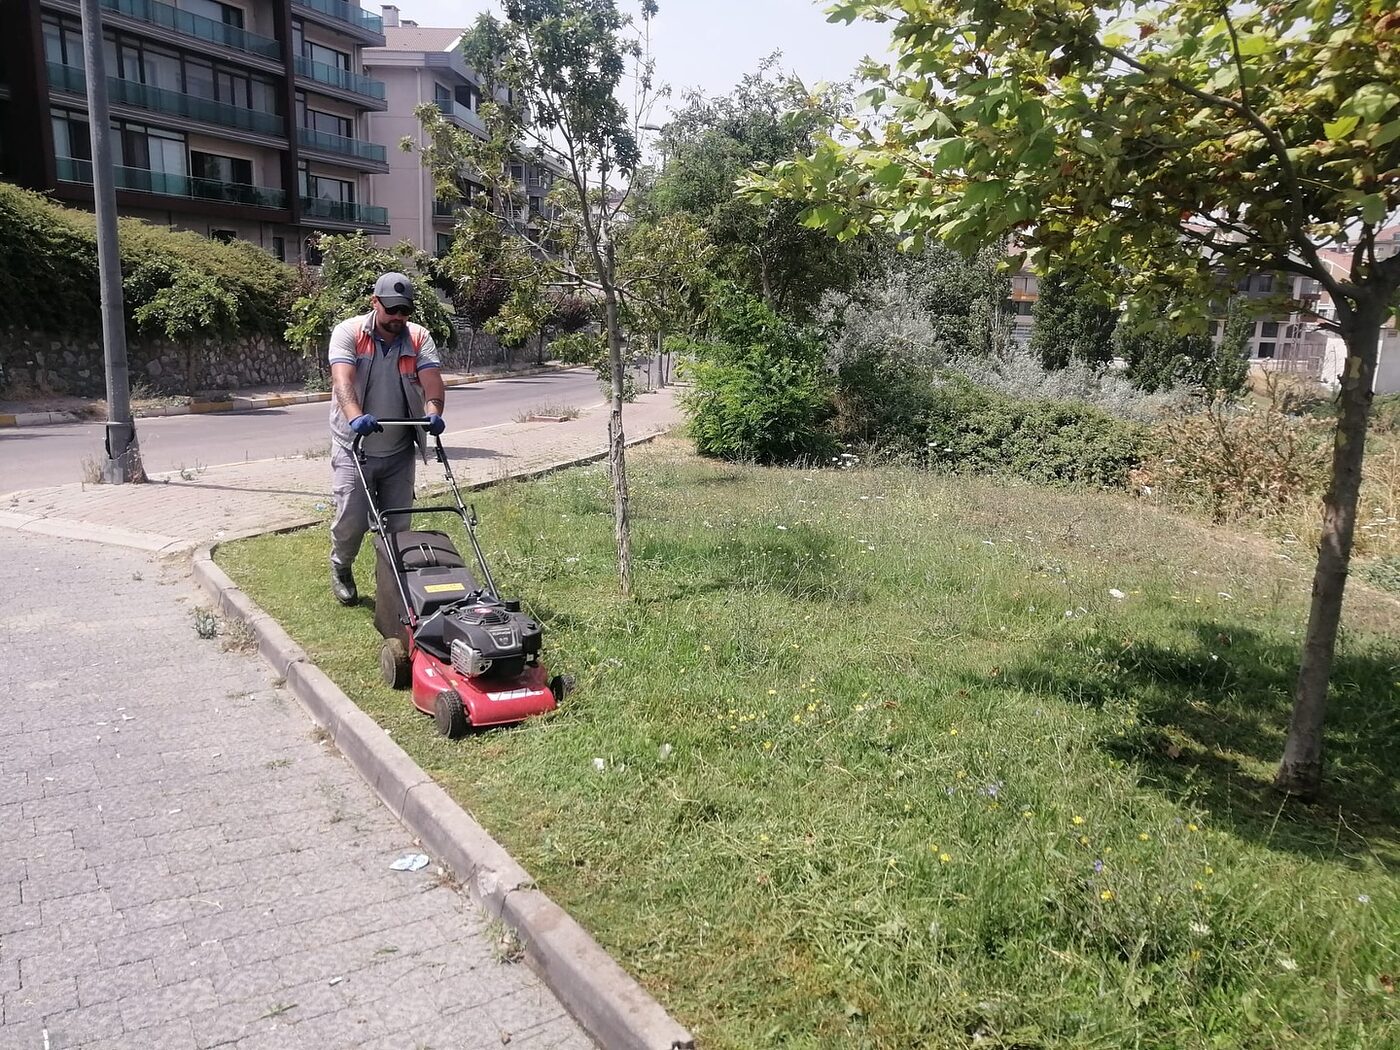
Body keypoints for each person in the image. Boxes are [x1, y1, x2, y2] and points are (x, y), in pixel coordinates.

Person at [327, 271, 447, 605]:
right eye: (391, 309)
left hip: (398, 450)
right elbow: (343, 380)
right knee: (350, 520)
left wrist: (433, 411)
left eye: (404, 311)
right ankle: (341, 566)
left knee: (398, 524)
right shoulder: (349, 332)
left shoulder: (418, 337)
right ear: (375, 302)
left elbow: (432, 380)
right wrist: (355, 418)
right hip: (355, 448)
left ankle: (392, 587)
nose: (397, 318)